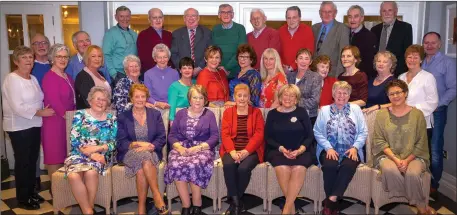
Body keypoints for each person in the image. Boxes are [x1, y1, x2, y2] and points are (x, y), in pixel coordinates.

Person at [371, 79, 436, 215]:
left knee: (412, 174)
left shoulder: (417, 114)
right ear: (388, 96)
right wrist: (396, 160)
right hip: (387, 155)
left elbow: (421, 142)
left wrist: (406, 161)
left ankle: (413, 201)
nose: (395, 96)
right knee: (390, 170)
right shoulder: (382, 114)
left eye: (398, 92)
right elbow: (379, 140)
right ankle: (421, 206)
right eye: (391, 94)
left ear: (405, 93)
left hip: (415, 155)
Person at [2, 46, 55, 210]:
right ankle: (23, 198)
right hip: (18, 127)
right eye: (24, 57)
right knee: (23, 162)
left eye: (30, 57)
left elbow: (38, 98)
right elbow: (18, 107)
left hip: (34, 124)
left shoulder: (32, 78)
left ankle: (31, 192)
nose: (28, 60)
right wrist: (41, 112)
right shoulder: (12, 79)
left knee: (32, 161)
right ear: (16, 61)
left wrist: (42, 109)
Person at [314, 81, 368, 215]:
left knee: (348, 166)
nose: (341, 95)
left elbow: (363, 132)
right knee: (330, 166)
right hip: (329, 149)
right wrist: (328, 148)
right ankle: (334, 206)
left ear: (349, 96)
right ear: (333, 94)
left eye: (345, 93)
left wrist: (355, 147)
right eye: (338, 92)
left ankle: (330, 202)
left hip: (351, 150)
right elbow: (317, 131)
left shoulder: (356, 109)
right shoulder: (324, 110)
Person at [164, 85, 219, 215]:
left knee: (194, 164)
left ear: (205, 100)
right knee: (176, 163)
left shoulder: (209, 114)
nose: (198, 100)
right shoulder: (180, 113)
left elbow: (215, 137)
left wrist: (198, 148)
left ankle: (197, 203)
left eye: (201, 97)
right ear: (189, 99)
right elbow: (172, 135)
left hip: (202, 148)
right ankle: (186, 205)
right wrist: (179, 147)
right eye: (195, 97)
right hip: (181, 147)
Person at [116, 84, 168, 215]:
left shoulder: (155, 114)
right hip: (129, 151)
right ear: (131, 99)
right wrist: (138, 144)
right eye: (136, 97)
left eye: (143, 96)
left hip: (152, 151)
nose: (140, 99)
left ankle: (141, 208)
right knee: (144, 157)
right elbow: (121, 140)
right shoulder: (123, 116)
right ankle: (157, 197)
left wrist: (151, 146)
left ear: (147, 98)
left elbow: (162, 136)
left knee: (141, 169)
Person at [64, 86, 116, 215]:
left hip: (101, 155)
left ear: (107, 103)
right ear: (90, 100)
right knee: (73, 175)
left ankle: (88, 208)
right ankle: (88, 211)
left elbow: (114, 143)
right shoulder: (80, 115)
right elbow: (74, 140)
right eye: (98, 99)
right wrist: (91, 153)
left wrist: (98, 149)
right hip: (79, 154)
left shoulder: (111, 119)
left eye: (104, 100)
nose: (100, 102)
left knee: (91, 173)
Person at [264, 84, 314, 214]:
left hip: (301, 151)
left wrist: (300, 150)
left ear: (296, 99)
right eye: (285, 95)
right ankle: (291, 209)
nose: (288, 98)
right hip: (278, 151)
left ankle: (286, 210)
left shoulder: (302, 112)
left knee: (298, 168)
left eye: (292, 96)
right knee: (282, 167)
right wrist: (282, 149)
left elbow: (309, 136)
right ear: (280, 97)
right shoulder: (272, 114)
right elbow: (268, 137)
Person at [220, 83, 265, 215]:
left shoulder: (256, 112)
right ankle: (237, 202)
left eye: (245, 96)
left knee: (243, 169)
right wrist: (233, 152)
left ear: (249, 97)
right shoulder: (228, 112)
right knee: (228, 165)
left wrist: (246, 151)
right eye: (239, 95)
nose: (242, 98)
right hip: (232, 149)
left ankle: (234, 201)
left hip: (252, 150)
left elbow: (259, 135)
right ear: (234, 97)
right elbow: (225, 134)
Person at [422, 32, 457, 195]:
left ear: (440, 44)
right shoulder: (421, 62)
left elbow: (453, 89)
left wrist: (438, 104)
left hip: (436, 112)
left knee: (435, 149)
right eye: (426, 43)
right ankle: (420, 180)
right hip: (421, 113)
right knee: (422, 147)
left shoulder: (447, 63)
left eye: (433, 43)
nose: (429, 46)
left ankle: (433, 184)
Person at [42, 44, 76, 189]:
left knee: (66, 157)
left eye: (65, 57)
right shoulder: (49, 77)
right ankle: (56, 193)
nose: (63, 59)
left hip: (68, 121)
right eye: (59, 56)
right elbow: (56, 103)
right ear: (52, 58)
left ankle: (65, 193)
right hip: (55, 123)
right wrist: (70, 119)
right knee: (55, 158)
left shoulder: (67, 76)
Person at [398, 45, 438, 161]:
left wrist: (411, 109)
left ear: (421, 59)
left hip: (422, 123)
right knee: (404, 155)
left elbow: (433, 102)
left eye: (415, 57)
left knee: (420, 158)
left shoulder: (428, 77)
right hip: (403, 122)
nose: (412, 60)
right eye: (409, 57)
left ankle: (426, 179)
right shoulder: (401, 77)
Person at [371, 1, 412, 77]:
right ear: (380, 13)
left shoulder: (405, 28)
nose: (387, 13)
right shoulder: (374, 30)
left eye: (390, 10)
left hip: (397, 74)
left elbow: (407, 53)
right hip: (377, 74)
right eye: (384, 11)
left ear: (395, 12)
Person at [312, 1, 350, 77]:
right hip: (314, 74)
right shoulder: (314, 28)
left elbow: (343, 56)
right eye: (324, 11)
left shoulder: (342, 29)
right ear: (320, 13)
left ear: (335, 13)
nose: (327, 14)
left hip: (332, 75)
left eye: (330, 12)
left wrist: (338, 77)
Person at [171, 8, 212, 77]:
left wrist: (199, 68)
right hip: (182, 75)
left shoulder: (207, 33)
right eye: (188, 16)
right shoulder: (176, 33)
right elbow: (174, 54)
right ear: (184, 18)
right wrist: (184, 69)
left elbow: (210, 53)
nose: (190, 18)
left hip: (202, 73)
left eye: (193, 16)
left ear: (198, 18)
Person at [103, 6, 138, 84]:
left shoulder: (134, 34)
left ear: (130, 17)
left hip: (133, 73)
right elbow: (106, 55)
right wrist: (114, 74)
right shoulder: (110, 33)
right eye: (121, 16)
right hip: (118, 74)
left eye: (127, 16)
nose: (125, 19)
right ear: (116, 17)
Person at [286, 48, 322, 124]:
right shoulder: (290, 76)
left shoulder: (315, 77)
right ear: (296, 60)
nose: (303, 61)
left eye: (306, 59)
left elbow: (315, 101)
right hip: (289, 113)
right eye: (300, 58)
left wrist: (294, 102)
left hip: (308, 117)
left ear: (310, 62)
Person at [212, 4, 247, 80]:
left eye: (228, 12)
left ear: (232, 14)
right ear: (219, 15)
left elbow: (241, 51)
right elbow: (213, 51)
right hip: (218, 71)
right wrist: (220, 67)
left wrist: (226, 68)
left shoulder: (240, 29)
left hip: (237, 72)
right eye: (223, 12)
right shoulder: (215, 29)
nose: (226, 15)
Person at [144, 44, 180, 110]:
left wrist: (171, 104)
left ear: (168, 58)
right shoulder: (148, 74)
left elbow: (177, 93)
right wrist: (157, 103)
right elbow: (147, 95)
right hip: (154, 107)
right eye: (159, 57)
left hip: (172, 106)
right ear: (155, 59)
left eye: (165, 57)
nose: (162, 60)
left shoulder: (175, 73)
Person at [75, 45, 112, 110]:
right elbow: (88, 102)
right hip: (92, 117)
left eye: (99, 56)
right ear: (87, 58)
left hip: (105, 112)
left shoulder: (101, 74)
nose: (97, 59)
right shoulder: (82, 76)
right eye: (93, 56)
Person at [137, 8, 173, 74]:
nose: (158, 20)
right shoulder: (143, 35)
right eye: (154, 18)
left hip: (167, 71)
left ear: (163, 19)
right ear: (149, 19)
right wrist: (158, 69)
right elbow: (143, 57)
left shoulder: (169, 34)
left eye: (160, 17)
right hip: (151, 72)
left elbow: (172, 54)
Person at [279, 6, 314, 71]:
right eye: (288, 18)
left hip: (302, 69)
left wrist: (291, 67)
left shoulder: (307, 31)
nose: (291, 21)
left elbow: (309, 53)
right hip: (283, 70)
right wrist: (282, 66)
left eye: (294, 17)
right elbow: (277, 51)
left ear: (299, 18)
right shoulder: (281, 31)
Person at [347, 5, 377, 80]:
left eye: (356, 16)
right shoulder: (344, 33)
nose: (352, 20)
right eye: (350, 17)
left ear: (362, 18)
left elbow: (369, 63)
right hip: (346, 76)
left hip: (360, 78)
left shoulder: (370, 36)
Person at [168, 57, 196, 124]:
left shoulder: (196, 86)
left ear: (193, 70)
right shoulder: (174, 86)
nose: (187, 70)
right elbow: (172, 108)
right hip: (180, 121)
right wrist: (172, 123)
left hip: (195, 119)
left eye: (189, 68)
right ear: (180, 70)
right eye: (184, 68)